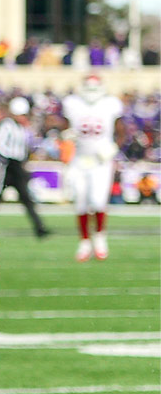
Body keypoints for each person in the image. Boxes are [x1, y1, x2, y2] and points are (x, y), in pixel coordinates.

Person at [61, 74, 122, 261]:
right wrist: (67, 135)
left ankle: (100, 238)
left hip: (100, 161)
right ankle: (85, 242)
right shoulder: (72, 103)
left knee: (97, 201)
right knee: (80, 201)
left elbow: (121, 131)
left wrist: (113, 148)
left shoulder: (111, 104)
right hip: (79, 159)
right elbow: (64, 127)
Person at [0, 96, 51, 237]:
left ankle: (39, 227)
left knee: (26, 197)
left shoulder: (22, 128)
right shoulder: (6, 125)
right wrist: (9, 157)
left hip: (18, 165)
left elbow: (27, 146)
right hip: (8, 165)